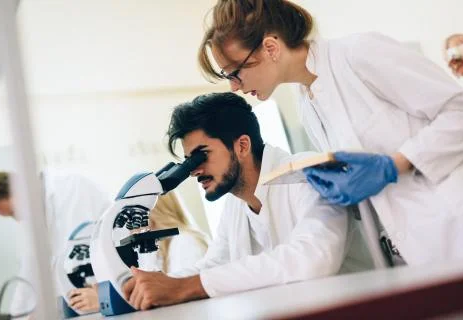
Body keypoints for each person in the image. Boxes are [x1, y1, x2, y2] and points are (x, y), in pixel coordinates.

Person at [197, 0, 463, 266]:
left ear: (270, 47)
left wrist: (394, 164)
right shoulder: (307, 104)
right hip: (409, 254)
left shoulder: (358, 53)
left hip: (452, 229)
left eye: (235, 73)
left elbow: (458, 110)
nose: (233, 87)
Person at [120, 92, 363, 311]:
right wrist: (150, 287)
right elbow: (215, 264)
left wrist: (186, 287)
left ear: (242, 146)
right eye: (188, 162)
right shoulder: (236, 202)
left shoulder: (307, 174)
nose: (194, 171)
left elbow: (314, 258)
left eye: (200, 156)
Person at [0, 169, 112, 315]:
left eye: (14, 212)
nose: (18, 219)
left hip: (107, 295)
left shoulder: (74, 188)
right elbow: (29, 272)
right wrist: (17, 315)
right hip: (78, 305)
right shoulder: (33, 217)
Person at [67, 192, 209, 312]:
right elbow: (146, 292)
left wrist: (107, 301)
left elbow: (179, 297)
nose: (129, 227)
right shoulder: (153, 251)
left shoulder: (186, 242)